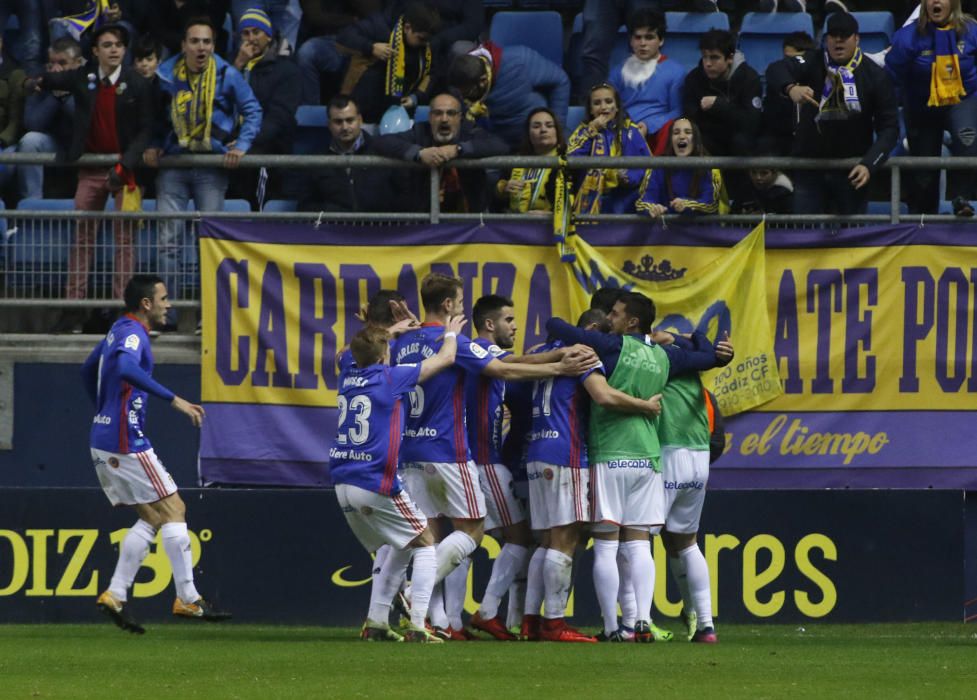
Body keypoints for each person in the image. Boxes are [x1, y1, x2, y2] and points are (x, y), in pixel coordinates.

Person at [391, 273, 595, 638]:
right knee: (492, 534)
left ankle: (441, 621)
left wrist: (556, 354)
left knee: (435, 540)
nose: (514, 327)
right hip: (469, 456)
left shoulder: (409, 340)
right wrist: (559, 367)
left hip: (413, 451)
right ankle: (447, 605)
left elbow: (506, 359)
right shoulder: (456, 343)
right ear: (451, 305)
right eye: (509, 320)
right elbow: (502, 366)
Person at [544, 291, 729, 643]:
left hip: (611, 454)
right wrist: (693, 343)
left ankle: (615, 627)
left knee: (606, 545)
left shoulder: (610, 348)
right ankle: (641, 621)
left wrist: (589, 333)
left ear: (631, 321)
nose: (609, 318)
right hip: (649, 458)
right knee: (640, 544)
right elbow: (705, 358)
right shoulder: (665, 357)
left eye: (615, 314)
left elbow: (556, 326)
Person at [81, 274, 230, 633]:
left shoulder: (117, 329)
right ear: (146, 304)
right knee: (175, 507)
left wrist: (103, 408)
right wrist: (175, 400)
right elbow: (126, 368)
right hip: (125, 440)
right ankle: (189, 598)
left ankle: (116, 594)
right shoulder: (134, 333)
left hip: (103, 436)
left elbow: (89, 368)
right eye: (164, 298)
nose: (169, 305)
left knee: (152, 516)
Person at [523, 307, 664, 644]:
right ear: (588, 330)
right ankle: (555, 624)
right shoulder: (583, 355)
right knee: (567, 538)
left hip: (536, 451)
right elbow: (603, 395)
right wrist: (646, 406)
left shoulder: (541, 354)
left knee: (547, 539)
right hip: (566, 453)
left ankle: (528, 619)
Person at [331, 317, 466, 644]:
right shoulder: (389, 377)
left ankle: (376, 622)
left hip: (342, 483)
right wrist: (451, 333)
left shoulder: (347, 375)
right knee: (426, 542)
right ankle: (418, 624)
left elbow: (349, 353)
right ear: (381, 358)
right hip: (373, 480)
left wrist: (385, 333)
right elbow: (445, 359)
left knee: (399, 545)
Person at [27, 24, 153, 329]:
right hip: (90, 168)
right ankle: (75, 309)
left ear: (124, 50)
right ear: (95, 51)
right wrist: (37, 81)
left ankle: (125, 312)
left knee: (124, 242)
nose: (114, 50)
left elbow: (146, 131)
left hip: (125, 172)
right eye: (107, 45)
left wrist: (124, 168)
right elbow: (56, 77)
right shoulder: (84, 77)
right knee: (82, 239)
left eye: (118, 45)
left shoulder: (138, 82)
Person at [147, 17, 262, 328]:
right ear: (184, 45)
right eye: (195, 41)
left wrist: (243, 145)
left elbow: (253, 110)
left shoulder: (227, 74)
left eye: (207, 42)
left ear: (213, 45)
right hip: (174, 166)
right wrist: (154, 144)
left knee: (208, 244)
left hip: (211, 167)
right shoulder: (166, 75)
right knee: (168, 243)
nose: (201, 48)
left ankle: (207, 316)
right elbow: (155, 116)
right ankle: (166, 317)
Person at [768, 12, 899, 216]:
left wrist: (869, 164)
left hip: (852, 169)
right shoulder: (812, 60)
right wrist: (790, 88)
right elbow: (777, 69)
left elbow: (889, 128)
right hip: (809, 168)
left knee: (851, 238)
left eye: (845, 35)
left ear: (857, 39)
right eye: (833, 35)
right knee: (805, 234)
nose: (838, 40)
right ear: (826, 39)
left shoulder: (875, 75)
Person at [886, 0, 977, 215]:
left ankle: (961, 200)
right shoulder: (908, 37)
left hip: (963, 99)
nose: (936, 1)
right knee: (924, 169)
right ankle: (924, 218)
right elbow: (891, 76)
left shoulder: (971, 31)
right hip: (921, 104)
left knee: (968, 138)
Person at [372, 91, 509, 214]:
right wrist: (419, 153)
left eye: (451, 113)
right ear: (430, 117)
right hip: (426, 216)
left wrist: (459, 149)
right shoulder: (420, 132)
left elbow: (500, 145)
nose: (444, 119)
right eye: (438, 113)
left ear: (459, 118)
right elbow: (381, 142)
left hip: (470, 217)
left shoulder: (468, 131)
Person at [681, 29, 761, 208]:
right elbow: (690, 119)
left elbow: (752, 122)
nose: (708, 64)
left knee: (741, 141)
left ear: (730, 58)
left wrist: (720, 106)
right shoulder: (694, 79)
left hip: (739, 144)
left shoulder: (749, 78)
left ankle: (745, 203)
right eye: (705, 57)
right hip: (709, 140)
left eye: (715, 58)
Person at [230, 8, 301, 206]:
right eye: (246, 33)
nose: (251, 38)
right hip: (231, 147)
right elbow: (218, 100)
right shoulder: (230, 68)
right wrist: (238, 64)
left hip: (267, 150)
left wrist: (245, 142)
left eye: (256, 32)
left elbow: (279, 117)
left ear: (268, 36)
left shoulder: (287, 71)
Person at [446, 42, 570, 150]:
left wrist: (556, 128)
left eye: (469, 93)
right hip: (495, 145)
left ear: (483, 81)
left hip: (537, 139)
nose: (463, 97)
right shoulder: (460, 80)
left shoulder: (518, 61)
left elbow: (560, 80)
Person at [335, 1, 441, 123]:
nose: (425, 44)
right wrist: (371, 47)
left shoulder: (428, 44)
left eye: (428, 40)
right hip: (364, 103)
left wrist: (416, 97)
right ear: (407, 28)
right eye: (421, 39)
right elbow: (343, 38)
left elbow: (432, 73)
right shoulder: (379, 25)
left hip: (401, 108)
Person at [300, 94, 402, 213]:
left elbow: (401, 198)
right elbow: (305, 206)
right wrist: (333, 213)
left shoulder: (383, 151)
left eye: (349, 120)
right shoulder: (316, 160)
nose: (344, 127)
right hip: (334, 228)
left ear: (360, 120)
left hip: (378, 228)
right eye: (338, 122)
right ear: (329, 125)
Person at [14, 37, 84, 200]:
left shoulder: (90, 80)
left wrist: (66, 97)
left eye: (62, 63)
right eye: (52, 63)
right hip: (55, 144)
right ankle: (32, 204)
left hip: (86, 144)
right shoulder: (41, 80)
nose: (55, 69)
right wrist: (55, 95)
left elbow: (86, 121)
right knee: (30, 141)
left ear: (78, 63)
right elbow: (32, 123)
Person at [608, 9, 685, 155]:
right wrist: (629, 127)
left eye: (649, 37)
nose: (643, 43)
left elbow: (678, 111)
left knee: (673, 128)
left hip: (659, 133)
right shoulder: (617, 72)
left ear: (661, 40)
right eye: (638, 37)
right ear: (631, 40)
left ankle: (658, 175)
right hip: (623, 130)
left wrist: (648, 126)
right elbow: (610, 106)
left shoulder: (676, 71)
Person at [567, 82, 651, 215]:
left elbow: (647, 167)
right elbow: (569, 160)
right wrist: (591, 130)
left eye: (608, 101)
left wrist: (627, 176)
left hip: (623, 199)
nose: (603, 107)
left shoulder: (630, 131)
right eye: (597, 103)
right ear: (590, 109)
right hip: (588, 199)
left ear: (616, 107)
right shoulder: (583, 131)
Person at [636, 117, 726, 217]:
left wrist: (687, 204)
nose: (682, 136)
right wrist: (652, 208)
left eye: (687, 132)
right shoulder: (657, 166)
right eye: (676, 133)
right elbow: (643, 202)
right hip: (667, 229)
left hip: (701, 229)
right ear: (670, 140)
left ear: (695, 139)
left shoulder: (709, 167)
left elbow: (711, 204)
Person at [495, 108, 565, 214]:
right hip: (516, 223)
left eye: (549, 126)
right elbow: (495, 200)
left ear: (557, 131)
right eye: (536, 126)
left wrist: (551, 215)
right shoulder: (515, 160)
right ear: (528, 133)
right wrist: (504, 189)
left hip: (552, 225)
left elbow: (576, 202)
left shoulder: (568, 159)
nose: (543, 130)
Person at [760, 31, 816, 156]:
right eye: (787, 58)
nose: (790, 63)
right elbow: (775, 68)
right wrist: (791, 88)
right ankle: (716, 177)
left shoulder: (821, 67)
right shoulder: (778, 76)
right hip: (782, 142)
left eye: (793, 59)